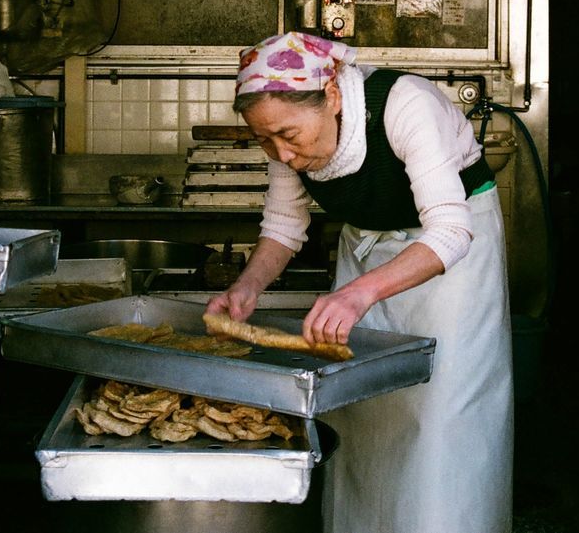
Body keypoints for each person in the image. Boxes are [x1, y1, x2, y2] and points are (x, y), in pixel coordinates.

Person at [206, 30, 513, 533]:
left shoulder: (404, 104)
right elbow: (285, 226)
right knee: (362, 408)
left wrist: (359, 292)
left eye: (288, 135)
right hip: (366, 255)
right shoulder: (287, 144)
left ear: (330, 96)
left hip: (450, 262)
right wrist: (247, 288)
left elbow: (452, 231)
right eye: (264, 139)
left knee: (439, 420)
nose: (281, 153)